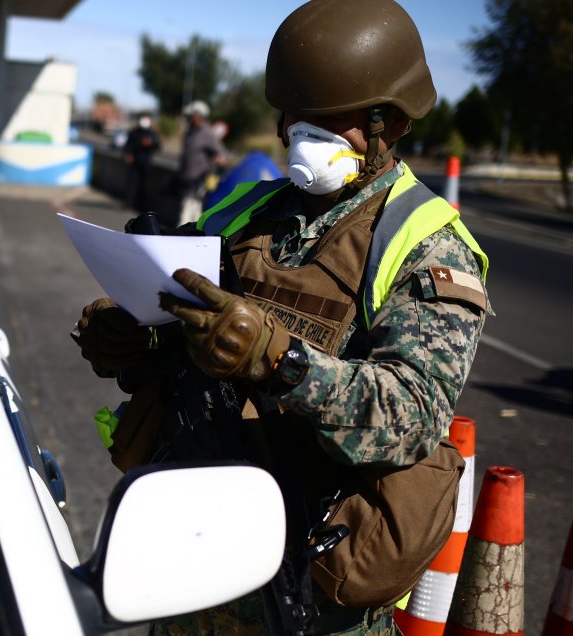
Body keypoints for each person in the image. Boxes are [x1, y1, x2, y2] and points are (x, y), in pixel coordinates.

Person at [74, 1, 490, 634]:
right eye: (296, 113)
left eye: (330, 117)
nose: (304, 132)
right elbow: (176, 304)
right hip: (192, 557)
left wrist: (281, 362)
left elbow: (413, 415)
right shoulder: (245, 210)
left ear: (392, 121)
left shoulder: (427, 245)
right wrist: (129, 331)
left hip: (308, 586)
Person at [174, 100, 226, 227]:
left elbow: (221, 155)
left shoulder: (207, 134)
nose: (189, 119)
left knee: (187, 211)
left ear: (199, 116)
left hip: (199, 180)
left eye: (191, 116)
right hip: (187, 180)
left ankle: (182, 233)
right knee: (194, 212)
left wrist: (213, 171)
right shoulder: (189, 133)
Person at [122, 114, 162, 212]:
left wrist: (151, 143)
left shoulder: (152, 134)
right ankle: (128, 203)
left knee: (144, 185)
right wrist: (128, 154)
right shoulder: (134, 133)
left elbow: (158, 146)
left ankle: (141, 205)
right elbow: (127, 146)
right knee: (131, 184)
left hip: (146, 163)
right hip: (134, 163)